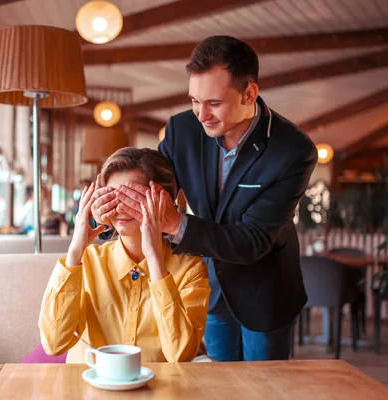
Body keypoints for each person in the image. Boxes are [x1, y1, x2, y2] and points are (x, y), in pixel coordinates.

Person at [91, 36, 317, 362]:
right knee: (217, 387)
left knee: (265, 389)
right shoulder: (182, 129)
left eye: (213, 103)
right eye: (194, 101)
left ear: (249, 93)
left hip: (264, 289)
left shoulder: (293, 150)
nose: (201, 114)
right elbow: (154, 188)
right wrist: (102, 211)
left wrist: (174, 222)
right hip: (208, 287)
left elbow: (253, 240)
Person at [39, 148, 210, 363]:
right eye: (111, 196)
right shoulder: (87, 261)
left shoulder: (190, 270)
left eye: (131, 196)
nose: (119, 208)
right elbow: (54, 343)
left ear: (163, 200)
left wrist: (155, 260)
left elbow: (180, 354)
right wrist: (75, 249)